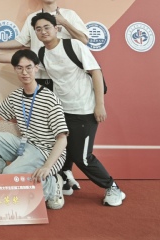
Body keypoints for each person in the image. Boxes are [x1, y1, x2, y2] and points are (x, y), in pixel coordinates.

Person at [0, 0, 88, 193]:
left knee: (61, 130)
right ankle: (6, 184)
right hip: (41, 77)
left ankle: (59, 173)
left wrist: (63, 22)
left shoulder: (69, 15)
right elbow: (20, 44)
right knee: (33, 128)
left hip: (63, 82)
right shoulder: (33, 19)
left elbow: (84, 40)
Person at [31, 12, 125, 207]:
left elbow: (96, 72)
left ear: (56, 28)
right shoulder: (42, 53)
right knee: (62, 149)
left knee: (83, 157)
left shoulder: (74, 45)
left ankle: (113, 187)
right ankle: (65, 180)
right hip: (61, 110)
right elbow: (21, 62)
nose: (43, 31)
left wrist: (99, 105)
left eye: (47, 27)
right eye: (38, 29)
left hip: (84, 110)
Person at [0, 49, 68, 210]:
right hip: (25, 144)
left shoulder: (49, 99)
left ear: (36, 68)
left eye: (28, 67)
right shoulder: (16, 96)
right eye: (19, 68)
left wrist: (47, 166)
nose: (24, 72)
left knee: (9, 174)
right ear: (15, 69)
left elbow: (62, 139)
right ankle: (0, 186)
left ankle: (52, 185)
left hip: (45, 151)